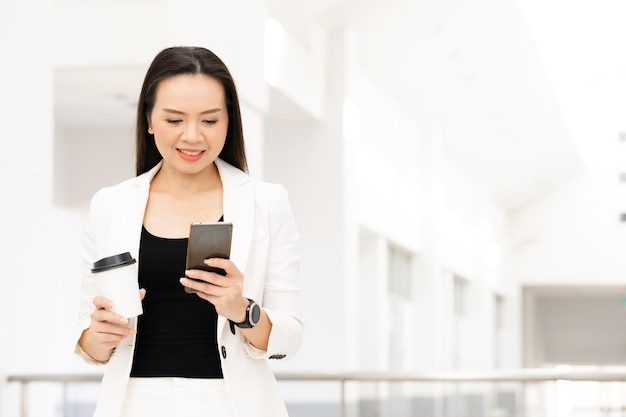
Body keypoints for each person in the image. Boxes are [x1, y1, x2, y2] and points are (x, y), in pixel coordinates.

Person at [74, 46, 302, 417]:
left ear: (229, 122)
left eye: (210, 121)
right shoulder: (109, 205)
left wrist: (241, 309)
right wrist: (98, 335)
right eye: (174, 120)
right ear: (148, 120)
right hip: (133, 404)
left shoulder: (266, 202)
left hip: (231, 405)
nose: (192, 136)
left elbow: (290, 338)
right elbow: (90, 344)